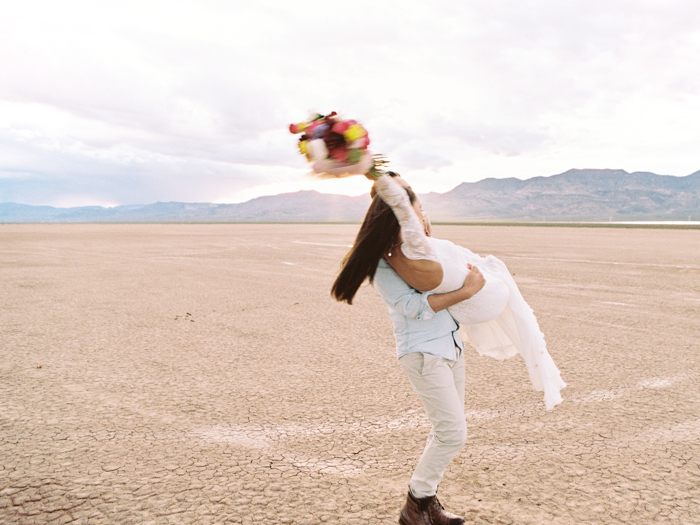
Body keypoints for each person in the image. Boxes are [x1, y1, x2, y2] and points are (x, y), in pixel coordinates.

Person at [332, 180, 483, 525]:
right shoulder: (383, 262)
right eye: (416, 208)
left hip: (450, 345)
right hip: (422, 353)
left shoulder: (421, 250)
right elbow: (412, 307)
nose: (422, 214)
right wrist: (467, 291)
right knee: (453, 432)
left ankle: (428, 505)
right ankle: (414, 507)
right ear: (401, 213)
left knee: (444, 430)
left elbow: (439, 275)